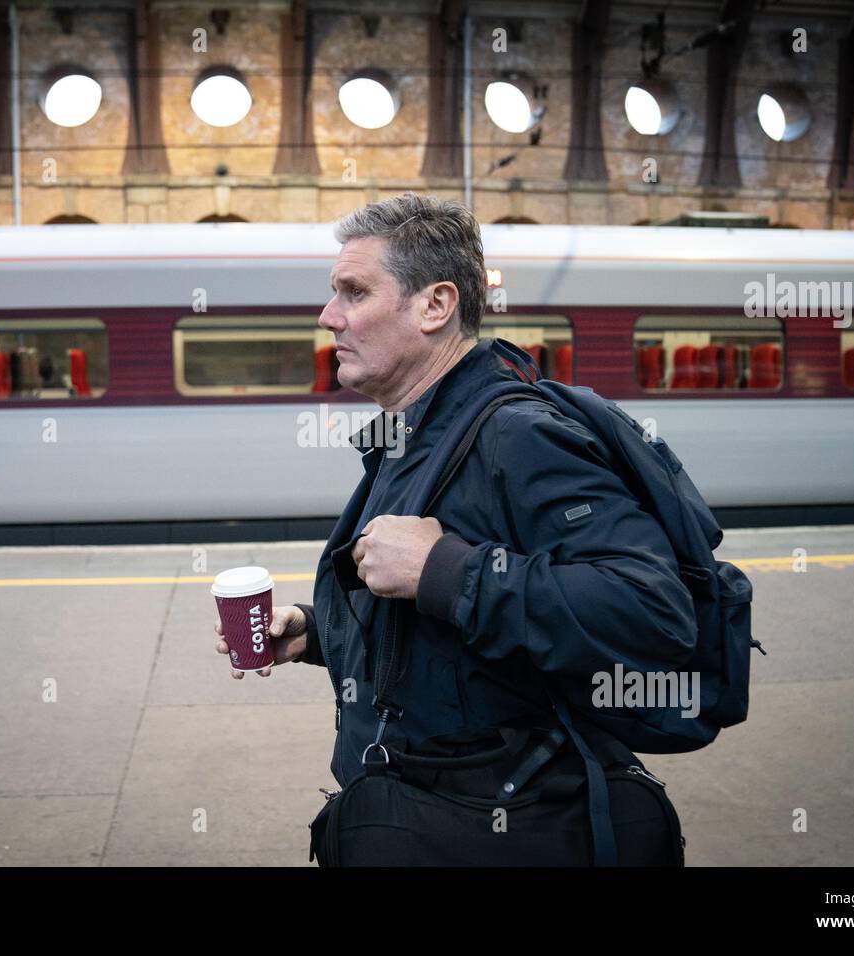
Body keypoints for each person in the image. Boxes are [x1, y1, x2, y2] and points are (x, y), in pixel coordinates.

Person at [214, 193, 696, 860]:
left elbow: (653, 612)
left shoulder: (517, 436)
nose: (329, 317)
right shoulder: (417, 435)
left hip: (502, 826)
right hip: (423, 814)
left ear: (435, 306)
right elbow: (447, 630)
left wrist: (445, 568)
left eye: (353, 292)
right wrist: (318, 630)